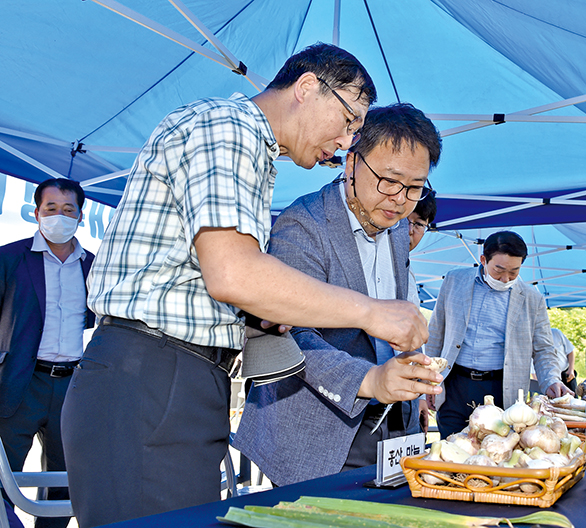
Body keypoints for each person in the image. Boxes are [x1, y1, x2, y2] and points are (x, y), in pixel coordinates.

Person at [60, 44, 430, 528]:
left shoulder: (253, 153)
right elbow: (233, 272)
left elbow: (217, 278)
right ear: (306, 88)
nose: (345, 142)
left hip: (178, 378)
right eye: (347, 121)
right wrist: (372, 312)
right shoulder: (228, 128)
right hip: (151, 374)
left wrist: (259, 315)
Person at [233, 103, 443, 487]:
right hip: (319, 431)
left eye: (415, 188)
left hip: (389, 424)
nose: (399, 199)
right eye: (390, 181)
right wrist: (372, 380)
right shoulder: (304, 224)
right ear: (351, 164)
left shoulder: (397, 228)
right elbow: (290, 335)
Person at [0, 178, 94, 528]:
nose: (59, 215)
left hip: (71, 388)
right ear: (37, 213)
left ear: (80, 216)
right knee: (4, 477)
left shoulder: (93, 267)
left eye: (68, 209)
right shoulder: (9, 258)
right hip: (18, 386)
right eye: (51, 208)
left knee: (66, 482)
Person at [425, 231, 572, 439]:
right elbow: (436, 333)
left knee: (494, 452)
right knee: (452, 446)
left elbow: (544, 349)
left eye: (514, 272)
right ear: (483, 260)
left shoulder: (532, 299)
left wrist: (551, 380)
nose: (505, 279)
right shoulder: (454, 281)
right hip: (455, 383)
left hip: (502, 387)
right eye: (499, 270)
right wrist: (430, 382)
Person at [405, 190, 437, 434]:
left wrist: (421, 395)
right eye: (405, 220)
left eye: (419, 224)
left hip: (404, 396)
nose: (410, 230)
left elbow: (415, 339)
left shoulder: (408, 274)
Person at [551, 327, 577, 392]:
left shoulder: (556, 332)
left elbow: (570, 351)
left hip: (566, 374)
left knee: (573, 399)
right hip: (550, 379)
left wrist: (571, 369)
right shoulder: (534, 338)